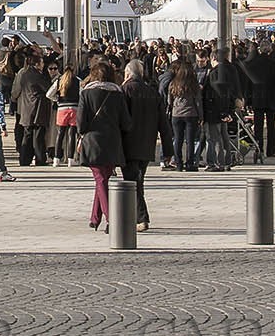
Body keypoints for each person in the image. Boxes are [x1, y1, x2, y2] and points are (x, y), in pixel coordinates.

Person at [76, 60, 131, 233]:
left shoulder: (86, 93)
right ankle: (95, 217)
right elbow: (126, 122)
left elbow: (80, 123)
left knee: (100, 179)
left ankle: (111, 218)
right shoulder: (117, 93)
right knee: (102, 179)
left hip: (93, 141)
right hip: (113, 141)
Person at [121, 59, 167, 231]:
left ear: (127, 74)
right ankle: (136, 216)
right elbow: (163, 123)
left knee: (132, 182)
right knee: (138, 181)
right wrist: (168, 150)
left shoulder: (125, 90)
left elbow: (121, 119)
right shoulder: (153, 92)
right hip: (147, 145)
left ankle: (141, 217)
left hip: (129, 144)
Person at [8, 54, 51, 167]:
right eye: (41, 63)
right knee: (38, 134)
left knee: (27, 134)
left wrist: (13, 99)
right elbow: (47, 88)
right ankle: (40, 158)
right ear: (36, 64)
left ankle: (24, 158)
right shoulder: (36, 75)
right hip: (37, 107)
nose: (43, 65)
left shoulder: (23, 73)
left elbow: (16, 90)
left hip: (26, 107)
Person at [165, 61, 201, 171]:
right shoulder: (194, 84)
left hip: (176, 114)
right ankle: (190, 163)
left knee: (178, 139)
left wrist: (173, 107)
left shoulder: (173, 83)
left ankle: (178, 163)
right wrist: (201, 115)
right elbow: (198, 101)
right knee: (190, 140)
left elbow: (169, 100)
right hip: (191, 113)